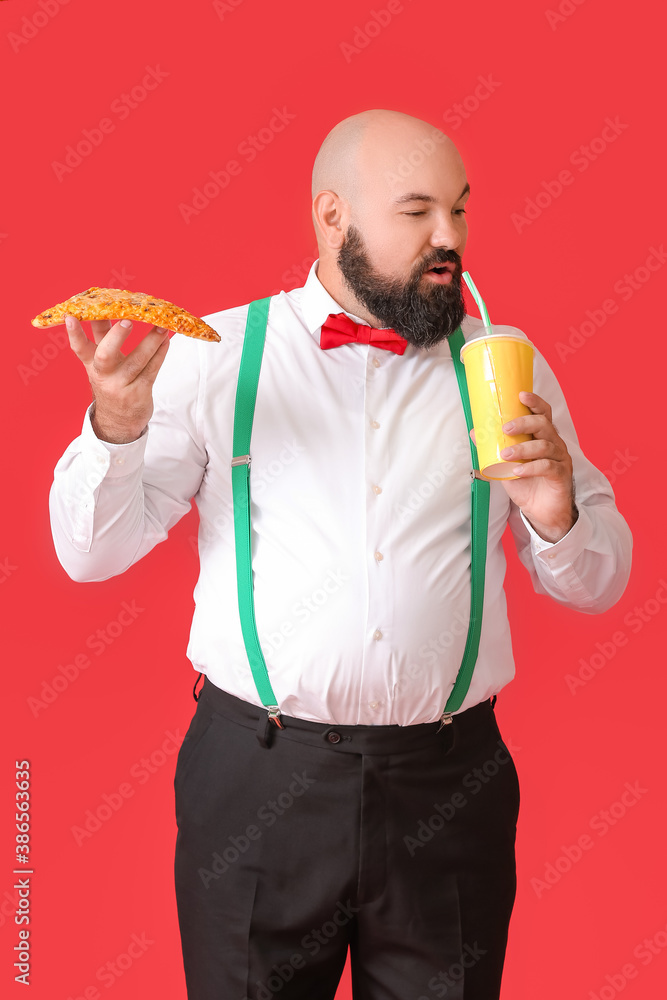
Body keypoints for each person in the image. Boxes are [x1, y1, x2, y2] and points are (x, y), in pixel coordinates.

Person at [49, 109, 632, 1000]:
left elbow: (599, 584)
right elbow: (90, 555)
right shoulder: (219, 356)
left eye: (461, 211)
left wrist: (556, 515)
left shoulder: (504, 364)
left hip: (449, 782)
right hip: (256, 778)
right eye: (417, 212)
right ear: (333, 218)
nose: (450, 238)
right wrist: (115, 431)